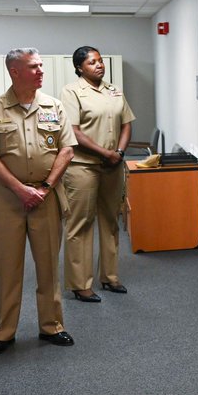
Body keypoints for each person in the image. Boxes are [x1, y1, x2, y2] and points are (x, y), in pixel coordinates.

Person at [0, 48, 77, 357]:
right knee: (7, 268)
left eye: (41, 65)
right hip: (8, 199)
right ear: (14, 71)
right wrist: (19, 189)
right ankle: (4, 331)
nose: (41, 71)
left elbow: (66, 150)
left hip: (46, 198)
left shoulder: (53, 106)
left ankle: (52, 326)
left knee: (48, 266)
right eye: (34, 67)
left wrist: (44, 187)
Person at [60, 46, 134, 302]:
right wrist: (105, 152)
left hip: (113, 165)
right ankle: (80, 284)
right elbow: (74, 132)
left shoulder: (113, 90)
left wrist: (119, 153)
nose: (99, 65)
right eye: (92, 62)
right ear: (80, 67)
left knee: (111, 221)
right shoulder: (72, 91)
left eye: (100, 61)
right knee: (80, 224)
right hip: (84, 167)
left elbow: (126, 124)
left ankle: (110, 277)